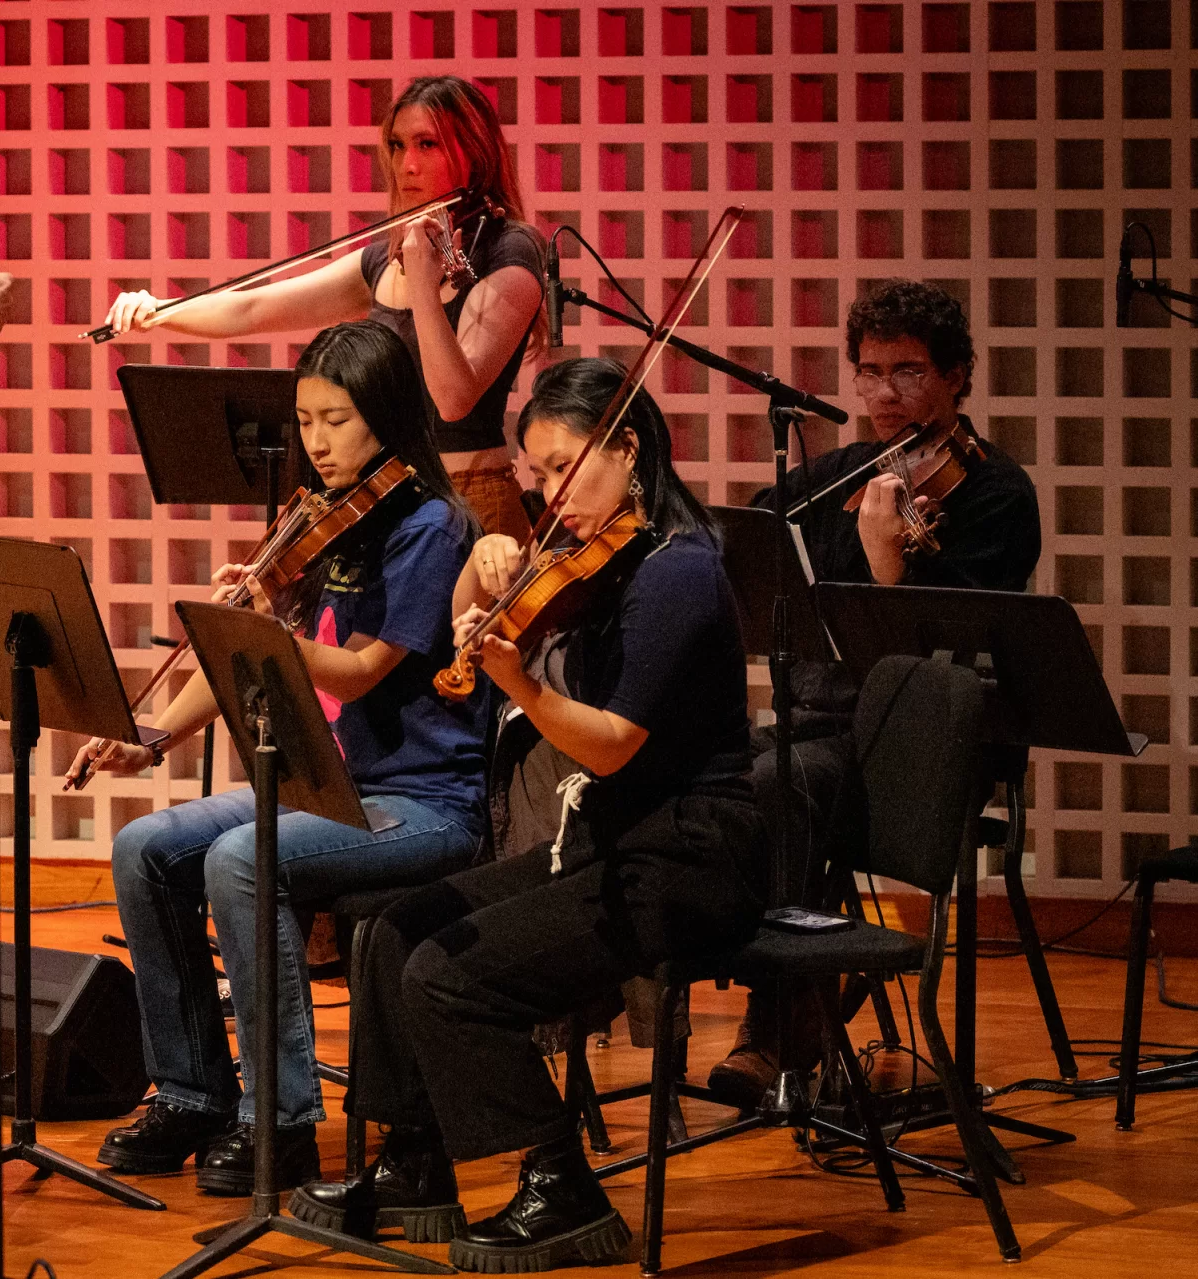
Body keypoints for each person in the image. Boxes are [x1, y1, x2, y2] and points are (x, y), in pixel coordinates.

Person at [290, 358, 763, 1273]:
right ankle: (415, 1160)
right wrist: (479, 572)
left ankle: (562, 1182)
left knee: (448, 974)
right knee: (393, 929)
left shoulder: (678, 571)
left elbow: (613, 743)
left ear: (627, 449)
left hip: (688, 856)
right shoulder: (604, 564)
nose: (545, 496)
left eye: (559, 468)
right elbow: (463, 646)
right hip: (609, 840)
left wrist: (516, 681)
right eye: (535, 475)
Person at [69, 322, 488, 1197]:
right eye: (305, 420)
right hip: (338, 791)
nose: (316, 441)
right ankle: (190, 1092)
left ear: (385, 418)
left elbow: (361, 668)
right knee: (143, 848)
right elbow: (244, 657)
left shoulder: (429, 526)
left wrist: (273, 623)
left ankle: (282, 1119)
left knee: (240, 856)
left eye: (335, 419)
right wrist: (149, 737)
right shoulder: (320, 515)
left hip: (426, 802)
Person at [706, 279, 1041, 1106]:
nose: (885, 395)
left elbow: (935, 663)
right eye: (868, 372)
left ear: (957, 375)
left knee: (781, 784)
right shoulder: (835, 476)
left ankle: (778, 1022)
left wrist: (889, 559)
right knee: (702, 772)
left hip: (922, 743)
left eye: (909, 371)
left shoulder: (994, 494)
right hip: (820, 721)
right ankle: (784, 976)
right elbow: (746, 546)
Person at [101, 76, 545, 543]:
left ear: (474, 151)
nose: (406, 165)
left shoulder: (509, 250)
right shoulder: (383, 258)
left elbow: (454, 400)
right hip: (389, 496)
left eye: (427, 144)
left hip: (471, 503)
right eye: (397, 146)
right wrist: (162, 311)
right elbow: (253, 308)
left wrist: (421, 284)